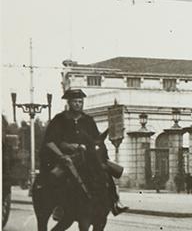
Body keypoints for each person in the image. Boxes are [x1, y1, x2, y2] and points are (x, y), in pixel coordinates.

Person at [39, 88, 127, 220]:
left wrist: (96, 152)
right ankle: (58, 206)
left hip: (87, 156)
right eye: (75, 101)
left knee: (105, 172)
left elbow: (97, 139)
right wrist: (64, 152)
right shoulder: (60, 119)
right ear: (69, 103)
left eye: (80, 102)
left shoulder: (88, 120)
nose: (78, 104)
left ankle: (114, 202)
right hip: (64, 157)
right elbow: (50, 141)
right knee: (57, 176)